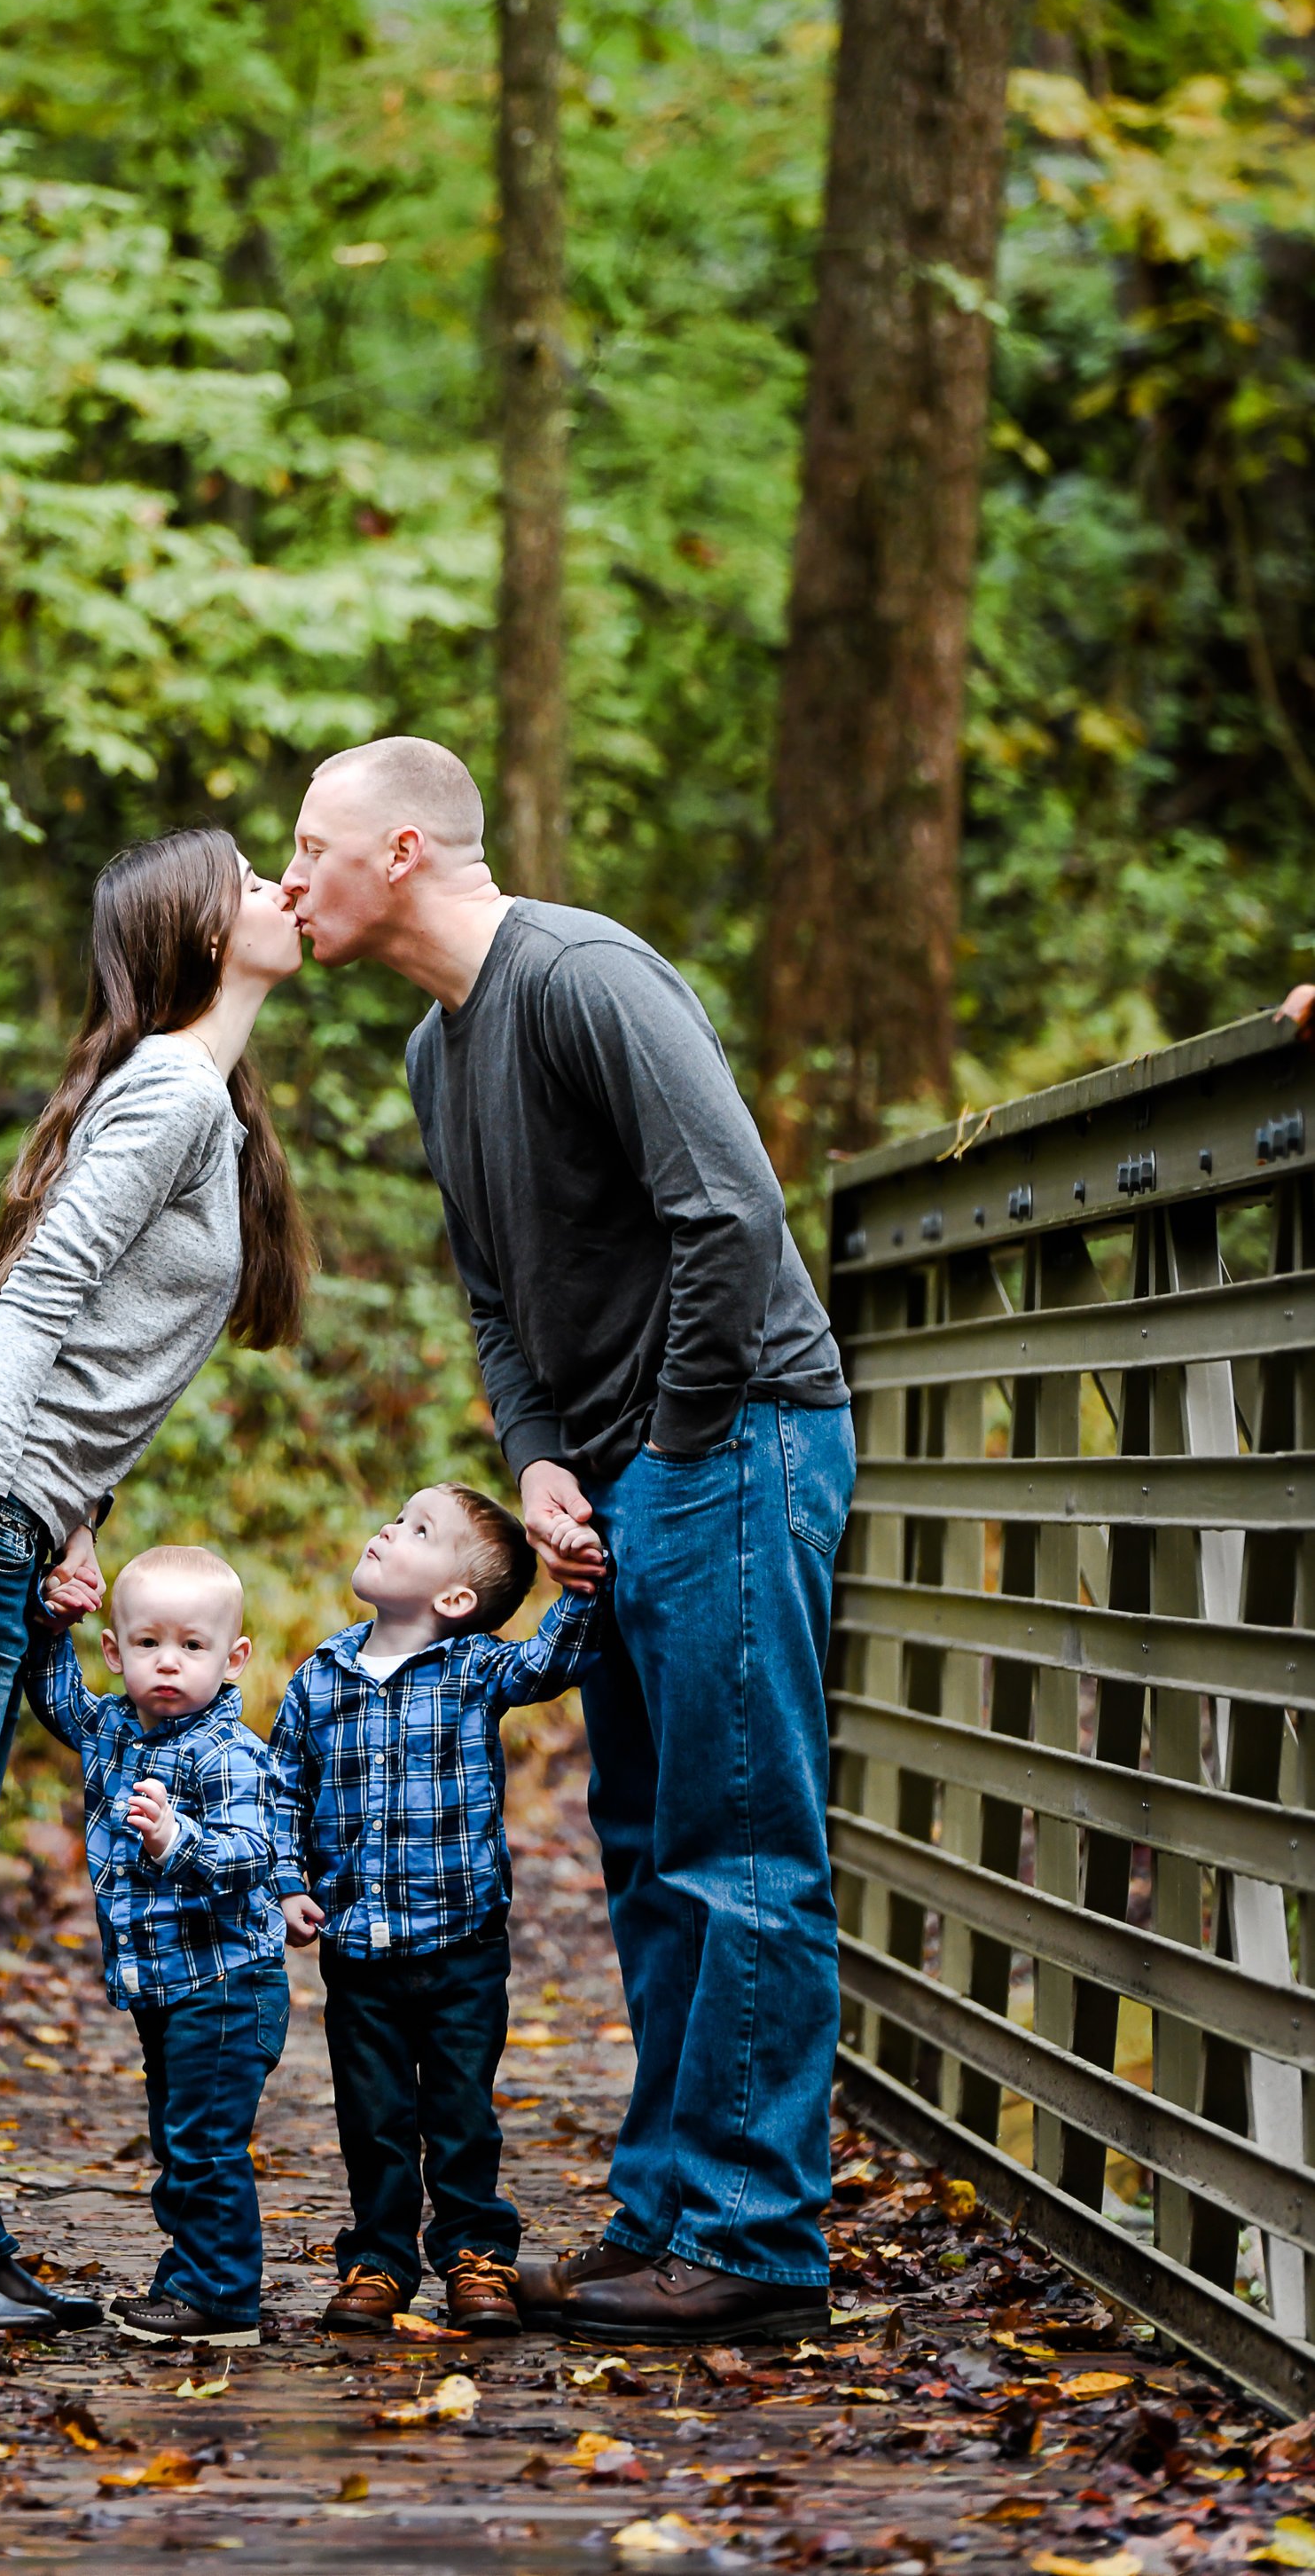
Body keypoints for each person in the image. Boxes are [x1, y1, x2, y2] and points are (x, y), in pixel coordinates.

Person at [282, 736, 855, 2344]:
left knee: (741, 1850)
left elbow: (731, 1218)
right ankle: (671, 2206)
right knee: (649, 1853)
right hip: (611, 1482)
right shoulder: (431, 1053)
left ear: (402, 851)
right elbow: (494, 1291)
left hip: (733, 1442)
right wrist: (539, 1461)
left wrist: (661, 1450)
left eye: (311, 844)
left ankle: (757, 2244)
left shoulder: (586, 975)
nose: (288, 875)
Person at [0, 829, 310, 2338]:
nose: (286, 892)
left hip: (13, 1508)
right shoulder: (169, 1083)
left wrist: (72, 1515)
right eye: (257, 879)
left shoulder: (201, 1099)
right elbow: (38, 1292)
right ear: (205, 931)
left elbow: (110, 1352)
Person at [269, 1482, 602, 2337]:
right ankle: (379, 2261)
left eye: (419, 1530)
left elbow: (550, 1664)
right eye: (398, 1516)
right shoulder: (320, 1678)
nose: (389, 1527)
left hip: (462, 1946)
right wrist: (287, 1881)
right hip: (360, 1953)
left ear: (454, 1599)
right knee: (374, 2117)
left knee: (459, 2113)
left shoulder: (477, 1667)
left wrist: (577, 1591)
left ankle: (474, 2257)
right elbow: (281, 1793)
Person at [25, 1545, 288, 2347]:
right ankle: (194, 2278)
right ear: (117, 1650)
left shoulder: (228, 1752)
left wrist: (180, 1839)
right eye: (147, 1645)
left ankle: (219, 2296)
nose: (168, 1663)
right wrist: (49, 1625)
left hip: (227, 1983)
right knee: (181, 2141)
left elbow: (254, 1854)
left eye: (193, 1646)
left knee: (203, 2144)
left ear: (233, 1657)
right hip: (165, 1988)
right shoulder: (111, 1729)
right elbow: (57, 1699)